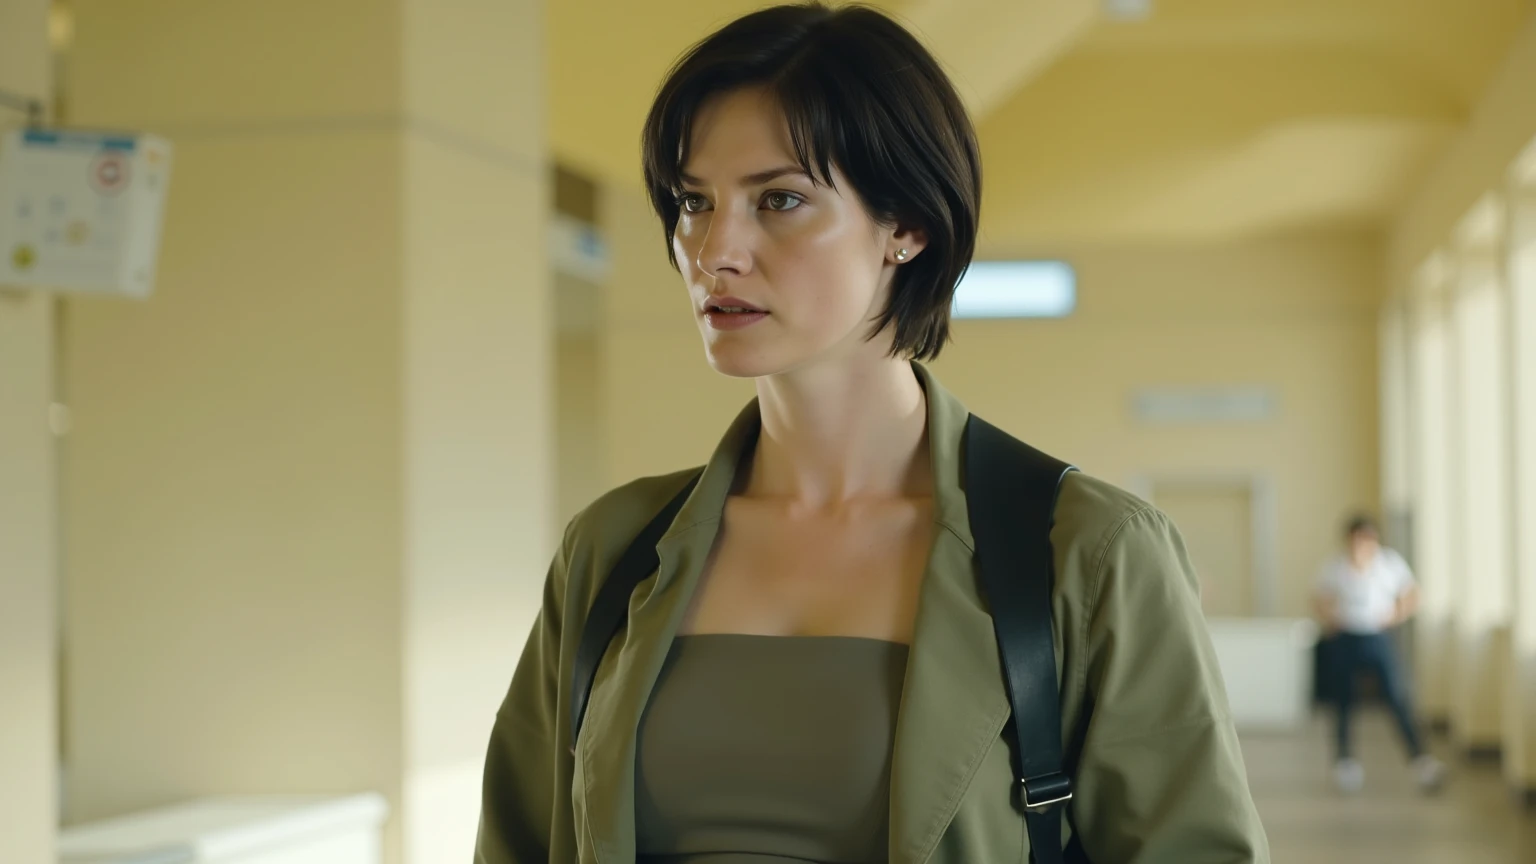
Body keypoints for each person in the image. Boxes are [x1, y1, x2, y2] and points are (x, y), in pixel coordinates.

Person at [475, 4, 1268, 862]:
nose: (714, 251)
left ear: (908, 226)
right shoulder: (612, 550)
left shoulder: (1088, 555)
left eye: (779, 200)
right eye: (692, 202)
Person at [1313, 514, 1446, 794]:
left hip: (1378, 636)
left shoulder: (1389, 563)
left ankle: (1420, 760)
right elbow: (1320, 598)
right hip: (1346, 637)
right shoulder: (1335, 566)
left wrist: (1395, 615)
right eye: (1355, 539)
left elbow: (1412, 594)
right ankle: (1345, 761)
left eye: (1365, 539)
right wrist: (1331, 618)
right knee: (1343, 700)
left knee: (1396, 696)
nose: (1360, 545)